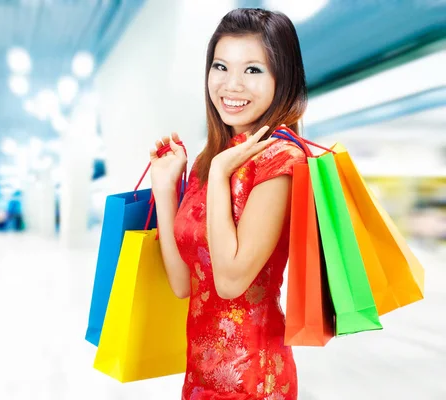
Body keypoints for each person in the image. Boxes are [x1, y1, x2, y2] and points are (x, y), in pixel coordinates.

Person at [149, 8, 308, 400]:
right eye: (221, 66)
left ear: (282, 78)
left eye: (253, 70)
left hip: (254, 379)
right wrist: (166, 189)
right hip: (198, 377)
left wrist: (219, 175)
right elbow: (183, 283)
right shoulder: (213, 158)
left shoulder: (281, 160)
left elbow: (232, 280)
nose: (231, 85)